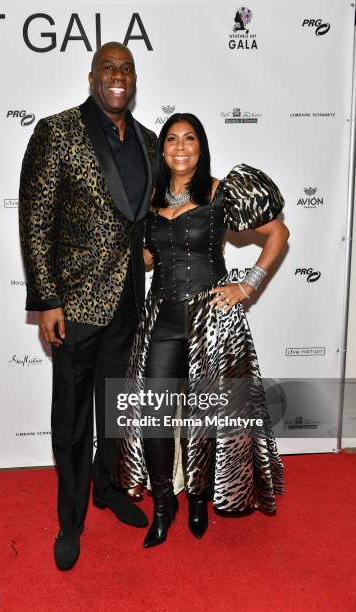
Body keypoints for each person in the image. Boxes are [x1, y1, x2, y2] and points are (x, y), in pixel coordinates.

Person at [115, 113, 289, 548]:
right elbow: (152, 259)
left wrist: (247, 285)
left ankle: (197, 500)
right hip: (162, 316)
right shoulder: (149, 198)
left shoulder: (219, 193)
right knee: (153, 414)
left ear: (200, 145)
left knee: (205, 416)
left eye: (189, 138)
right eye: (171, 138)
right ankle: (161, 507)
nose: (179, 146)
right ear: (162, 149)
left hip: (211, 321)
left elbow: (278, 233)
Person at [18, 42, 157, 570]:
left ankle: (109, 488)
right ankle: (70, 520)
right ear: (91, 76)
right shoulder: (56, 132)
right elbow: (35, 220)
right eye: (108, 68)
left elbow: (139, 216)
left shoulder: (147, 141)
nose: (117, 77)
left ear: (134, 79)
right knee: (73, 421)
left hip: (126, 301)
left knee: (116, 410)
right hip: (73, 305)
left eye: (126, 69)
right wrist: (46, 299)